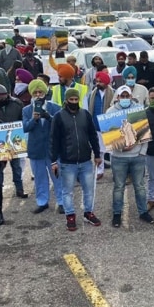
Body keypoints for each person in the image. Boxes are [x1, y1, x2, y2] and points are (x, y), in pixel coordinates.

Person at [50, 88, 102, 231]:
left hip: (86, 160)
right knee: (67, 191)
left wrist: (97, 154)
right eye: (71, 100)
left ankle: (88, 213)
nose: (73, 102)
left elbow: (93, 136)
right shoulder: (58, 117)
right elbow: (53, 140)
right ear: (66, 100)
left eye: (76, 100)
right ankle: (70, 215)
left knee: (89, 189)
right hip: (67, 162)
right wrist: (53, 161)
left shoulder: (85, 115)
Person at [107, 86, 153, 227]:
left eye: (127, 96)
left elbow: (145, 134)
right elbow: (109, 138)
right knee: (119, 187)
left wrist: (142, 152)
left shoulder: (138, 110)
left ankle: (143, 211)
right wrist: (120, 147)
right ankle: (117, 214)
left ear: (131, 96)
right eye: (123, 96)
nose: (125, 98)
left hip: (137, 157)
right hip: (118, 158)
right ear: (118, 97)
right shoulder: (110, 112)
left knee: (139, 186)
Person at [23, 79, 63, 214]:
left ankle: (62, 201)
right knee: (40, 178)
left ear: (45, 92)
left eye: (40, 92)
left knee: (57, 177)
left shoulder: (55, 107)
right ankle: (42, 202)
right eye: (35, 93)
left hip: (52, 149)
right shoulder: (27, 110)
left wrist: (48, 117)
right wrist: (34, 119)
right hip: (36, 150)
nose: (38, 95)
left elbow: (61, 126)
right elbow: (25, 128)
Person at [0, 85, 28, 198]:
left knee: (16, 167)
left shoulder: (17, 104)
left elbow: (23, 119)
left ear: (7, 94)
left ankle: (19, 189)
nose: (0, 98)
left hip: (14, 137)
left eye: (2, 95)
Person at [87, 71, 115, 179]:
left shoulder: (113, 93)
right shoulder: (93, 94)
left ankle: (115, 171)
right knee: (99, 150)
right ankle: (100, 170)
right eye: (97, 81)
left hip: (109, 126)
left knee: (112, 150)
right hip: (96, 126)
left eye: (100, 82)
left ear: (106, 83)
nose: (98, 83)